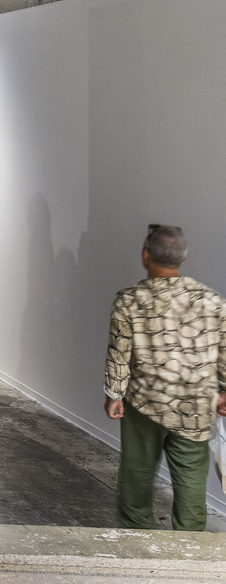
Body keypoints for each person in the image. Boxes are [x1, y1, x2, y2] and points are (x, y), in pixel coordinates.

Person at [104, 224, 226, 531]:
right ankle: (187, 554)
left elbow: (119, 353)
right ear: (183, 259)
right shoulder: (212, 301)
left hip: (145, 403)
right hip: (196, 408)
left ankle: (139, 547)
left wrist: (113, 394)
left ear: (146, 255)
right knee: (191, 484)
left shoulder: (129, 300)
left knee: (137, 478)